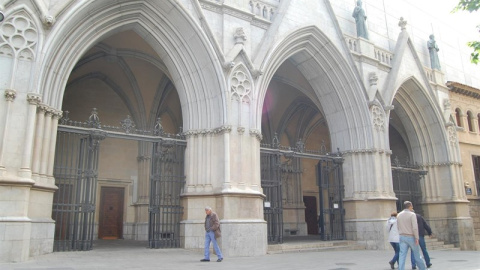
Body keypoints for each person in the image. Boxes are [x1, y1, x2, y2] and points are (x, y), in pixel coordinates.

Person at [397, 201, 426, 270]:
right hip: (411, 237)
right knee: (417, 255)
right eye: (412, 206)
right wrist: (417, 237)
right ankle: (422, 268)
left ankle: (401, 268)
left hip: (402, 236)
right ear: (410, 206)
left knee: (402, 255)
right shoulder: (412, 214)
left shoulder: (399, 215)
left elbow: (398, 226)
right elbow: (415, 227)